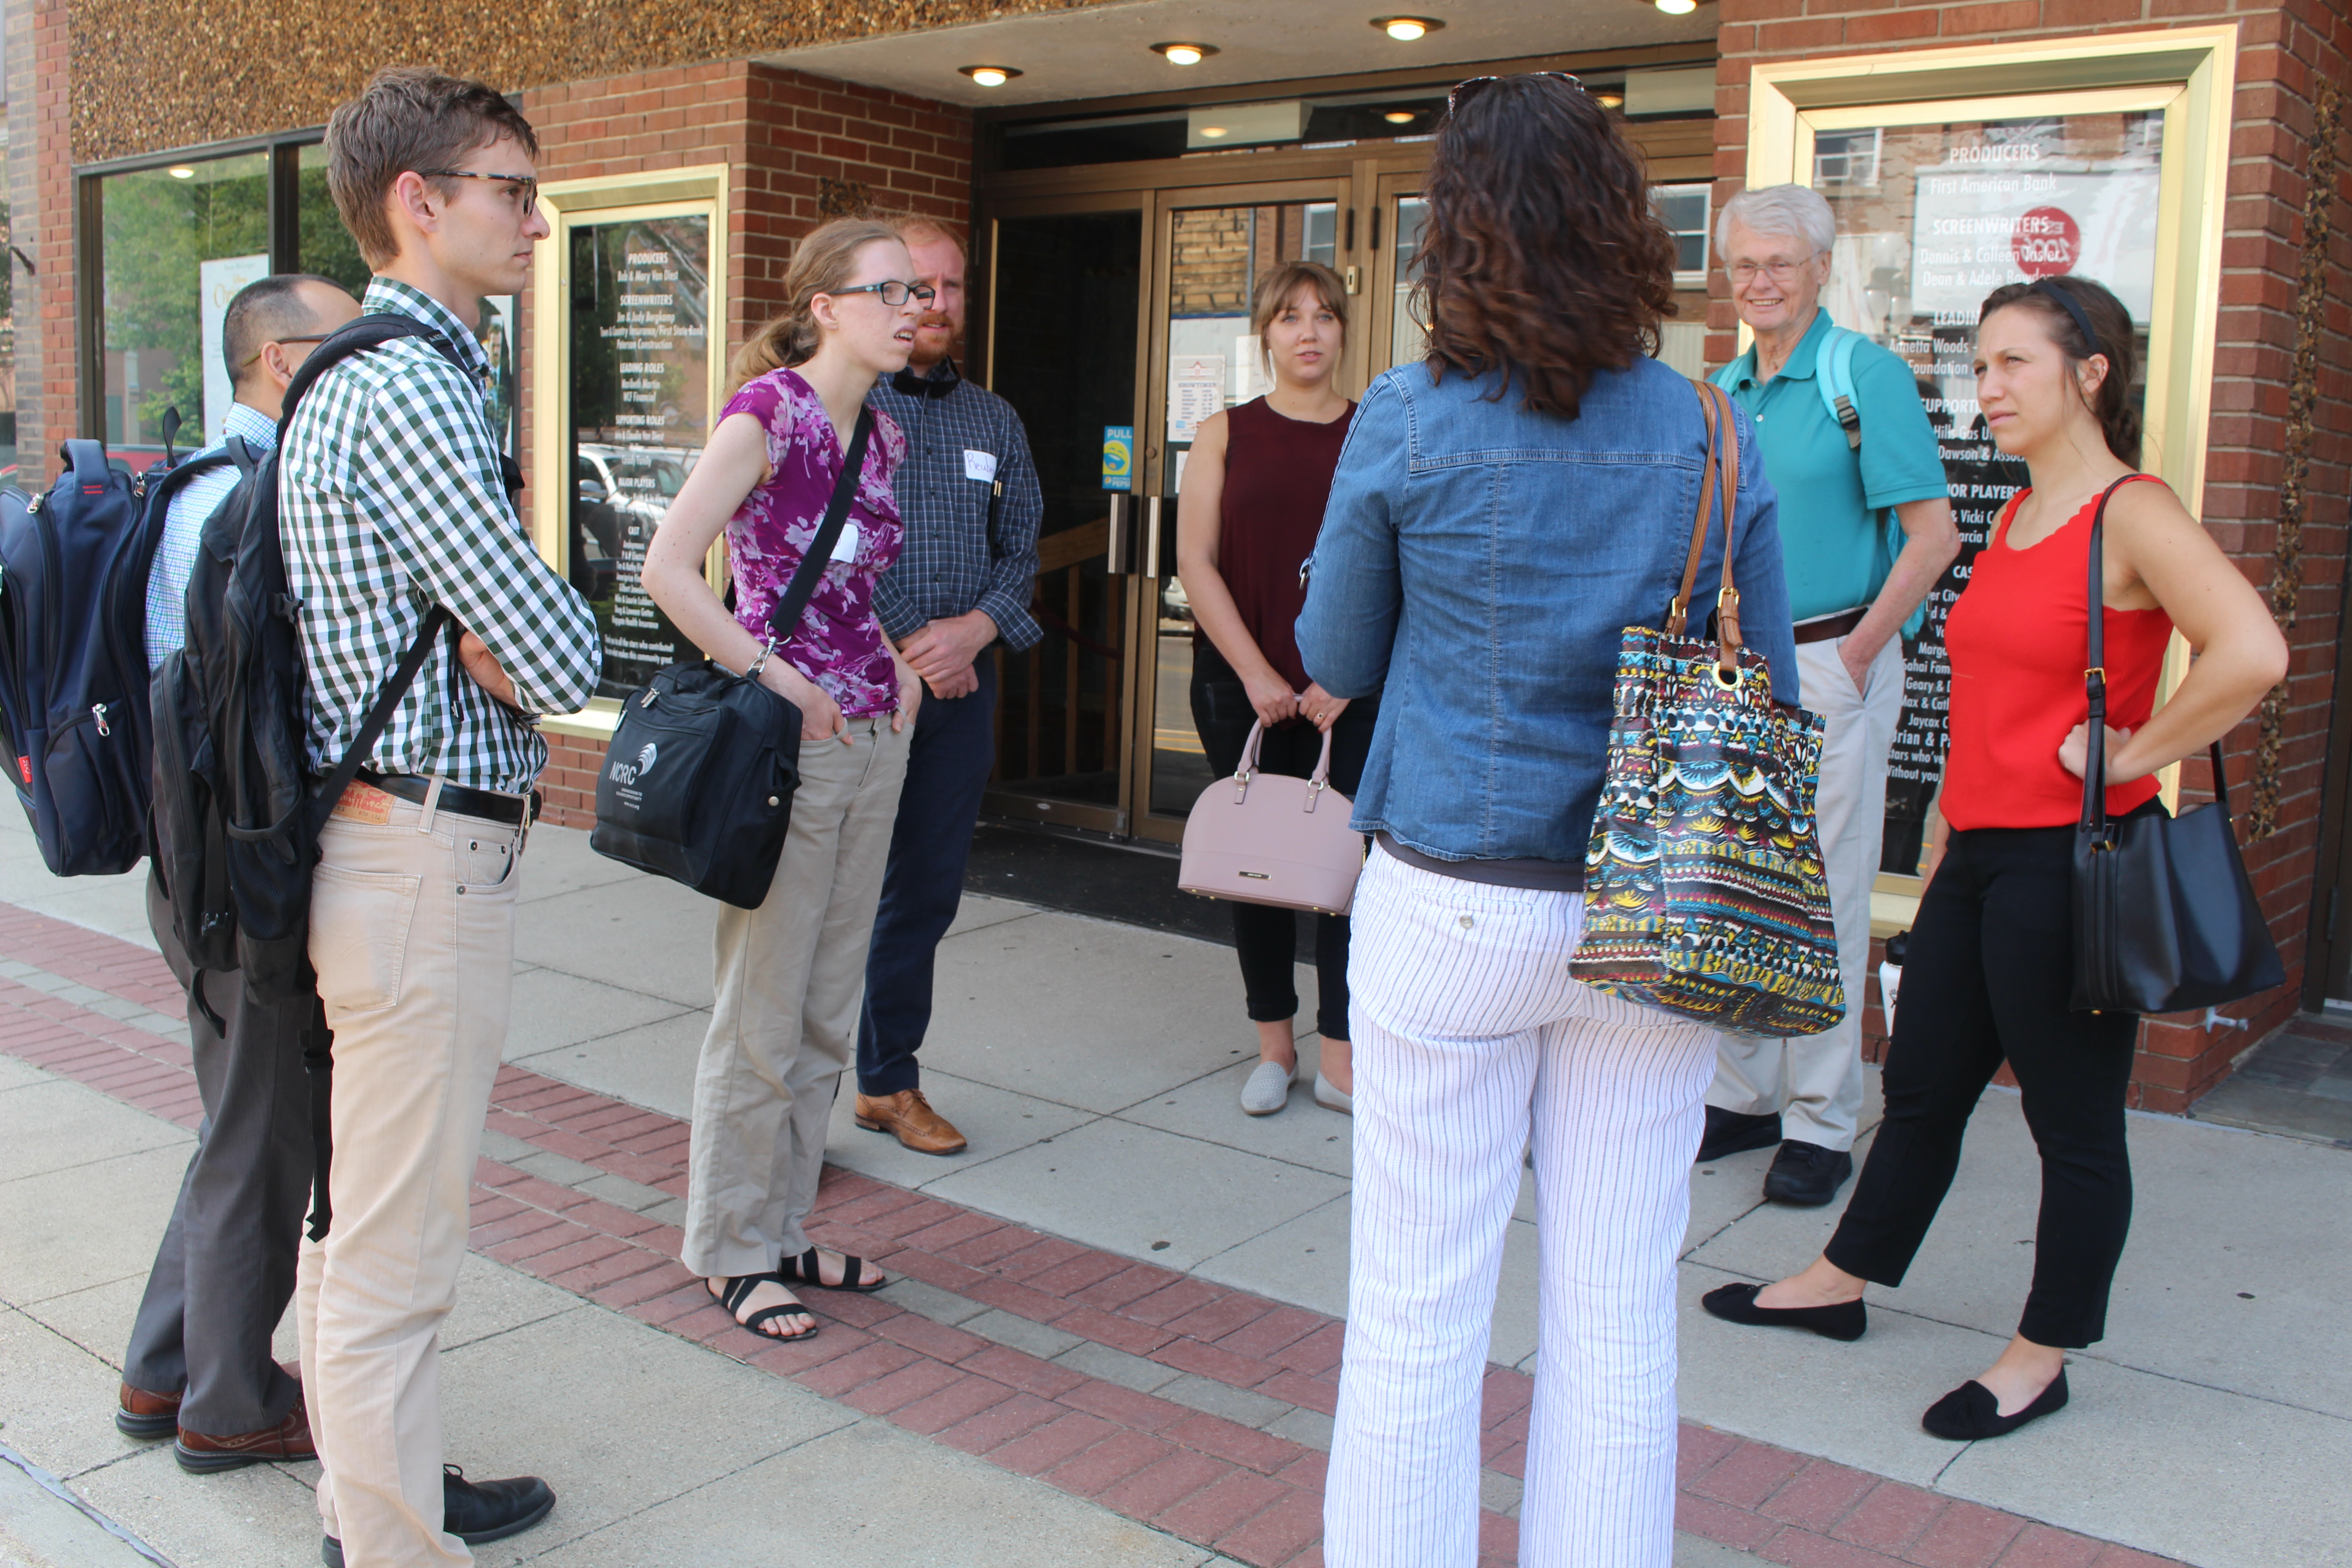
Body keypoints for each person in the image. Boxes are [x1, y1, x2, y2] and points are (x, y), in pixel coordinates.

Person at [1297, 74, 1800, 1567]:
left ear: (1457, 235)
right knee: (1618, 1310)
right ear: (1622, 227)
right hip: (1656, 903)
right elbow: (1763, 680)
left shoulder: (1401, 417)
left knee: (1413, 1314)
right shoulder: (1713, 426)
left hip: (1453, 892)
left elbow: (1333, 658)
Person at [1701, 276, 2288, 1441]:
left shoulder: (2132, 511)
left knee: (2071, 1125)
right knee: (1920, 1090)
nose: (1991, 388)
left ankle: (2043, 1353)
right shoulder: (2017, 515)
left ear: (2090, 375)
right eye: (1984, 367)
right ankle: (1843, 1280)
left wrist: (2137, 747)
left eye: (2017, 363)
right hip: (1975, 855)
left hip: (2069, 865)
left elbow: (2253, 651)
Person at [281, 70, 601, 1566]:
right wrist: (535, 631)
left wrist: (510, 624)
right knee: (395, 1249)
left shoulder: (365, 369)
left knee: (371, 1222)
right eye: (513, 190)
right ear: (420, 202)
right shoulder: (409, 382)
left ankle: (382, 1484)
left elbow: (509, 630)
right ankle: (389, 1538)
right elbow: (558, 653)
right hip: (421, 852)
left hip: (391, 840)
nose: (536, 220)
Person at [642, 218, 928, 1344]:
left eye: (917, 289)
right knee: (759, 1010)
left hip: (873, 740)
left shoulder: (887, 433)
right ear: (825, 305)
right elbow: (671, 568)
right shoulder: (768, 415)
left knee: (824, 1007)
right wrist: (784, 680)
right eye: (887, 288)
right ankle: (727, 1246)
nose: (912, 306)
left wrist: (895, 665)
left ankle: (787, 1226)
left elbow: (854, 589)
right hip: (789, 745)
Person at [120, 274, 360, 1473]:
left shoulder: (197, 489)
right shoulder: (250, 501)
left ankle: (162, 1371)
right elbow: (253, 722)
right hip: (239, 870)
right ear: (281, 361)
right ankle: (229, 1401)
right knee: (264, 1139)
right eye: (341, 345)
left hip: (196, 864)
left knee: (236, 1127)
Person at [1700, 185, 1961, 1206]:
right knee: (1737, 880)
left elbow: (1935, 535)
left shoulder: (1866, 376)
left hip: (1825, 662)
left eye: (1781, 264)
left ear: (1820, 268)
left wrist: (1856, 652)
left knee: (1821, 891)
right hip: (1736, 669)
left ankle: (1820, 1119)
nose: (1761, 283)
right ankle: (1743, 1094)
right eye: (1745, 267)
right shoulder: (1723, 384)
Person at [854, 215, 1044, 1156]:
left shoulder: (994, 421)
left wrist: (970, 634)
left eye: (951, 287)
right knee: (829, 893)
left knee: (924, 892)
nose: (935, 303)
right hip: (853, 694)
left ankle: (888, 1079)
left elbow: (1022, 554)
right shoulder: (840, 406)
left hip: (962, 697)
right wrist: (906, 645)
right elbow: (822, 546)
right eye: (915, 286)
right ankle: (798, 1089)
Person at [1175, 259, 1373, 1117]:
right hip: (1238, 685)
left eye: (1325, 316)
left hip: (1349, 692)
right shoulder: (1224, 432)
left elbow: (1398, 565)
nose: (1308, 331)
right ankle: (1273, 1048)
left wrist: (1347, 672)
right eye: (1291, 317)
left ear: (1342, 332)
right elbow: (1194, 561)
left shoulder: (1377, 432)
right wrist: (1257, 671)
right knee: (1252, 866)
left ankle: (1339, 1060)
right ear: (1266, 333)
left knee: (1343, 870)